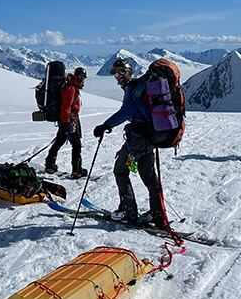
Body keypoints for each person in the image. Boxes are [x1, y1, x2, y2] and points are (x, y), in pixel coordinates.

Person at [93, 58, 167, 228]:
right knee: (150, 179)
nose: (118, 76)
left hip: (138, 138)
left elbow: (127, 111)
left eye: (121, 72)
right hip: (150, 138)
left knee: (120, 170)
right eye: (116, 74)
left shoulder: (134, 88)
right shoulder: (139, 88)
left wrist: (106, 125)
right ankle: (157, 214)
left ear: (129, 72)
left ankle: (129, 210)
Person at [44, 67, 88, 178]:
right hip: (70, 120)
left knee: (60, 140)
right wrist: (67, 123)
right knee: (76, 144)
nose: (83, 80)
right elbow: (66, 106)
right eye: (82, 77)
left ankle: (50, 164)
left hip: (67, 119)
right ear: (78, 77)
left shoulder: (71, 87)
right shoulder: (71, 88)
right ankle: (77, 169)